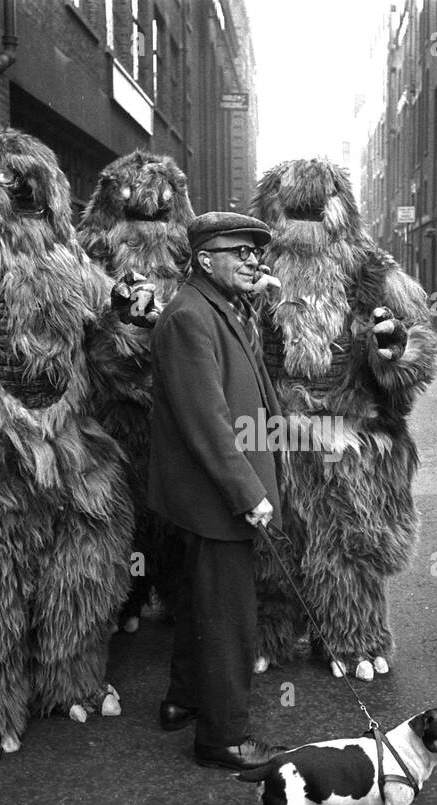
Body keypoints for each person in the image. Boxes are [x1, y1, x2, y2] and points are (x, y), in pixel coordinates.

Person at [147, 211, 285, 770]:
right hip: (215, 498)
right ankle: (222, 736)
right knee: (229, 616)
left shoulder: (214, 305)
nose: (253, 262)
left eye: (257, 253)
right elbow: (205, 419)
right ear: (206, 260)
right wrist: (246, 493)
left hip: (205, 497)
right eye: (241, 253)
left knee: (199, 601)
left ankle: (183, 699)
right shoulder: (188, 317)